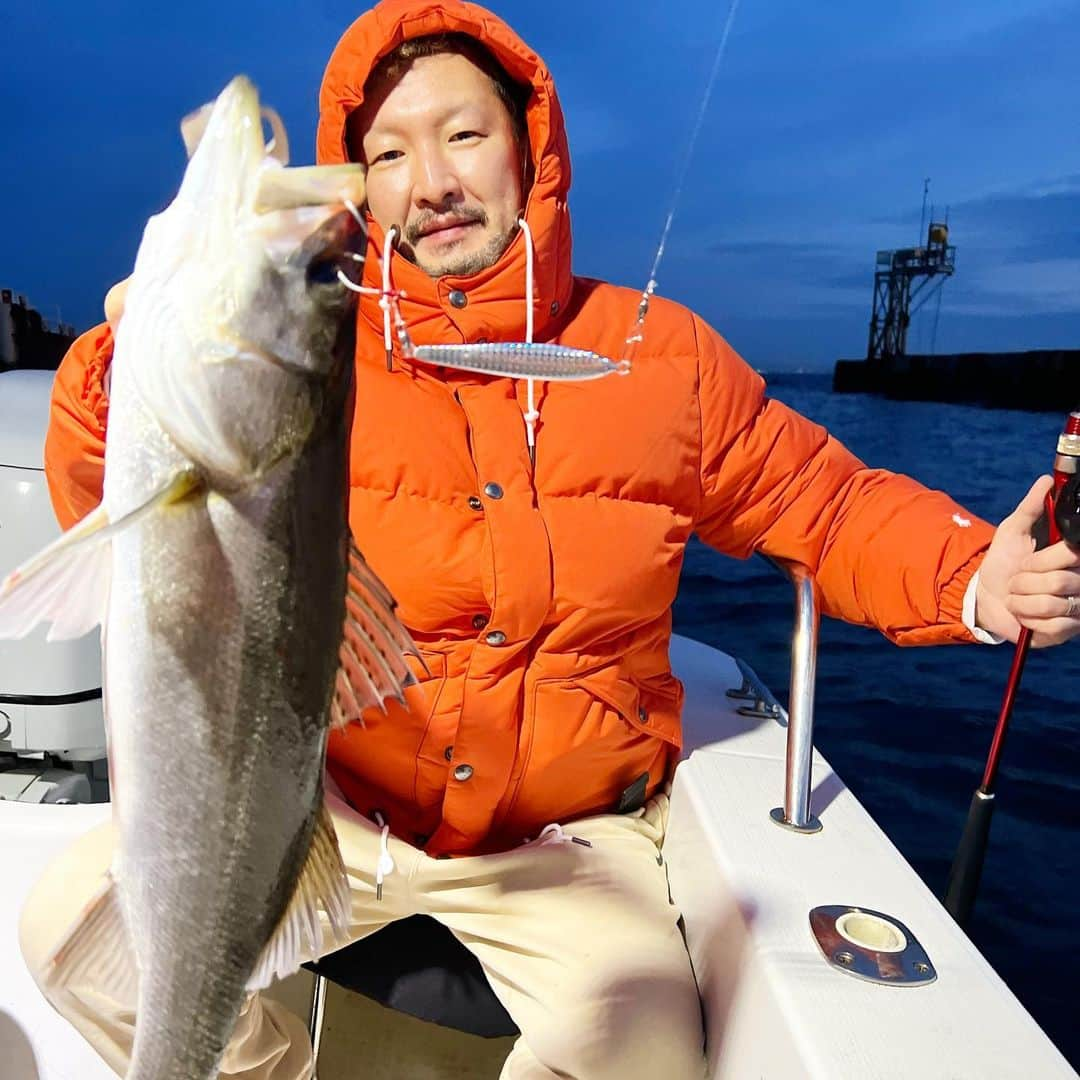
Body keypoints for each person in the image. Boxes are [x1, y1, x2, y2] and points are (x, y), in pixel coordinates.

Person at [20, 1, 1080, 1077]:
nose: (430, 180)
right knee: (68, 935)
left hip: (565, 847)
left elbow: (826, 504)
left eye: (464, 135)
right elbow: (112, 507)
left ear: (533, 149)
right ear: (361, 189)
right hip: (336, 808)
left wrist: (971, 579)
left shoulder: (657, 355)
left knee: (638, 1049)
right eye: (388, 152)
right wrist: (125, 360)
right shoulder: (310, 350)